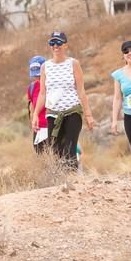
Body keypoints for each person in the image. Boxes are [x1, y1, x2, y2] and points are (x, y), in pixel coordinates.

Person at [32, 32, 95, 169]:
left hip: (72, 112)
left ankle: (72, 180)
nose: (56, 46)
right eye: (52, 43)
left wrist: (88, 115)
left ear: (65, 45)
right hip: (53, 114)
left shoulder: (73, 64)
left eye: (59, 43)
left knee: (69, 149)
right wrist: (36, 115)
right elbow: (43, 93)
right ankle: (61, 182)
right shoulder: (45, 67)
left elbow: (81, 91)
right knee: (55, 150)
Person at [27, 55, 48, 154]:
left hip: (53, 127)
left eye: (39, 74)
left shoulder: (53, 85)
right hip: (39, 129)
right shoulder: (32, 87)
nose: (38, 77)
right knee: (41, 157)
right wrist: (33, 123)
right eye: (35, 75)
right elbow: (32, 108)